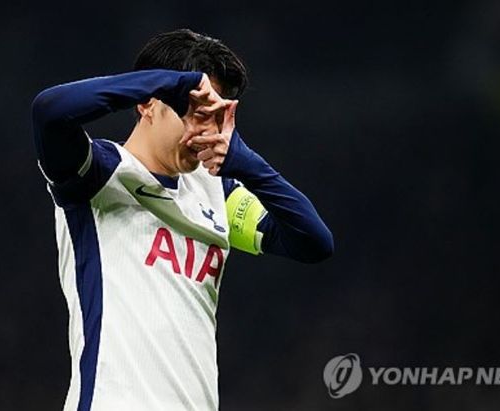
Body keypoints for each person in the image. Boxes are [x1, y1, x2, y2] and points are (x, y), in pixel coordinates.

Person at [31, 28, 334, 411]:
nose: (205, 131)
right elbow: (49, 112)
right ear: (148, 104)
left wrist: (248, 164)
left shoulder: (215, 193)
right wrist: (168, 83)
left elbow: (313, 242)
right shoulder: (100, 177)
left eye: (216, 117)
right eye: (195, 112)